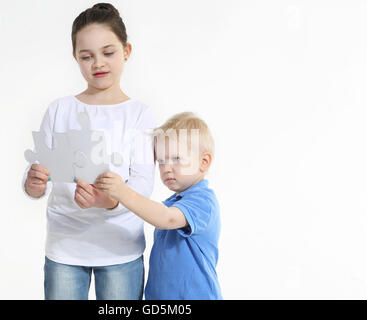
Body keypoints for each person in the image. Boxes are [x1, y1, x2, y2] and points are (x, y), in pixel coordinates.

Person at [22, 3, 155, 300]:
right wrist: (32, 184)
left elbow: (143, 183)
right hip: (65, 248)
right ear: (75, 58)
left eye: (108, 53)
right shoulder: (60, 110)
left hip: (120, 248)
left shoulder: (138, 114)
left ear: (127, 51)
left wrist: (108, 201)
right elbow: (40, 171)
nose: (98, 63)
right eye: (87, 56)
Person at [95, 112, 222, 299]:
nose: (166, 168)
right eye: (161, 161)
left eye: (176, 159)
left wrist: (122, 191)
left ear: (204, 162)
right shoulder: (173, 202)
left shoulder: (203, 201)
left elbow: (167, 218)